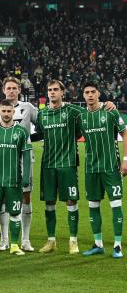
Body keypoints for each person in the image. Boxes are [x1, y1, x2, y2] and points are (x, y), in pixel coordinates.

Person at [32, 80, 84, 254]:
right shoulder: (42, 114)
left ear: (63, 92)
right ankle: (51, 241)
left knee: (71, 201)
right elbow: (39, 133)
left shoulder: (73, 111)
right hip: (47, 164)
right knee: (49, 202)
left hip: (67, 164)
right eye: (49, 90)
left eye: (55, 90)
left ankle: (73, 241)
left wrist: (108, 105)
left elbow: (89, 116)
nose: (52, 92)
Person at [77, 81, 127, 258]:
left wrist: (126, 159)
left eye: (93, 92)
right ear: (83, 96)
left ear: (99, 94)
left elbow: (124, 133)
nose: (90, 95)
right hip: (91, 168)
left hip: (110, 167)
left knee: (115, 205)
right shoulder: (81, 116)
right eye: (86, 92)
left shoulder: (110, 111)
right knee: (93, 205)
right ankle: (98, 244)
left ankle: (117, 245)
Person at [0, 77, 37, 252]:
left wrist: (29, 141)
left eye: (14, 88)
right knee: (1, 200)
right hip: (2, 161)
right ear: (4, 90)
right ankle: (4, 239)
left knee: (25, 197)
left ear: (19, 90)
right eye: (8, 88)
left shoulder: (29, 108)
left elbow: (41, 128)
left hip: (24, 159)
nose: (11, 90)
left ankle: (25, 239)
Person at [0, 99, 32, 256]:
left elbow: (26, 155)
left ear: (13, 112)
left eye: (9, 111)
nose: (6, 114)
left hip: (13, 180)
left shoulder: (21, 132)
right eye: (3, 111)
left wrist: (25, 178)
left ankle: (15, 245)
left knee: (15, 213)